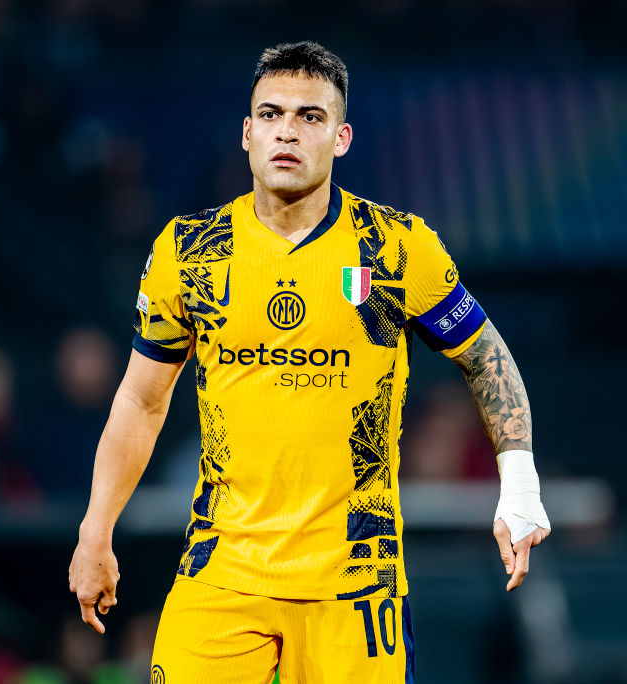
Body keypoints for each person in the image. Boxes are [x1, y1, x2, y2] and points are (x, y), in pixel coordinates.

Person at [68, 41, 551, 683]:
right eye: (271, 115)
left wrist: (520, 487)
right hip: (221, 575)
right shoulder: (190, 253)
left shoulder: (395, 249)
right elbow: (141, 399)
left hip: (355, 585)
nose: (287, 132)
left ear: (341, 138)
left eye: (310, 116)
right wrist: (95, 530)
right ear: (247, 134)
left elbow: (488, 358)